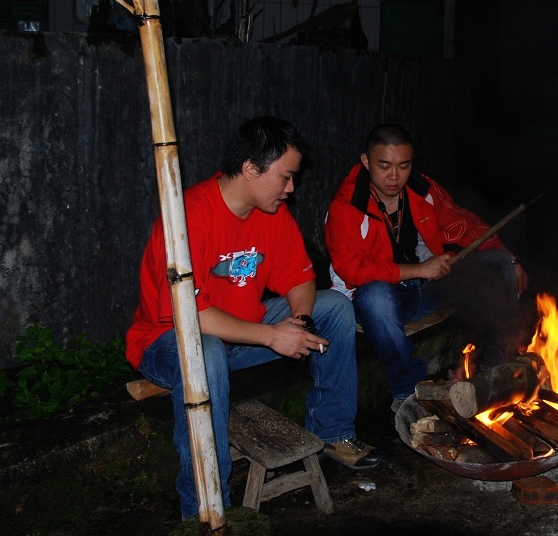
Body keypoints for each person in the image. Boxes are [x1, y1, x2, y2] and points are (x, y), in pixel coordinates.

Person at [125, 116, 382, 521]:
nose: (291, 189)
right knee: (206, 353)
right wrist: (269, 336)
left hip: (240, 332)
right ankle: (205, 507)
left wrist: (297, 320)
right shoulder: (190, 216)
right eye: (285, 177)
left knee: (333, 307)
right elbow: (189, 315)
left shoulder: (271, 212)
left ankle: (333, 432)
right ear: (250, 169)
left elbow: (301, 277)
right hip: (167, 340)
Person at [324, 124, 530, 413]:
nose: (394, 176)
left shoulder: (423, 191)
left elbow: (465, 225)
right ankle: (408, 391)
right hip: (384, 300)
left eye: (403, 166)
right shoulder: (347, 207)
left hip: (427, 286)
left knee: (497, 265)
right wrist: (420, 270)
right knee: (374, 298)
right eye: (384, 166)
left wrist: (511, 258)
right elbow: (351, 269)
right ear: (366, 161)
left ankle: (494, 373)